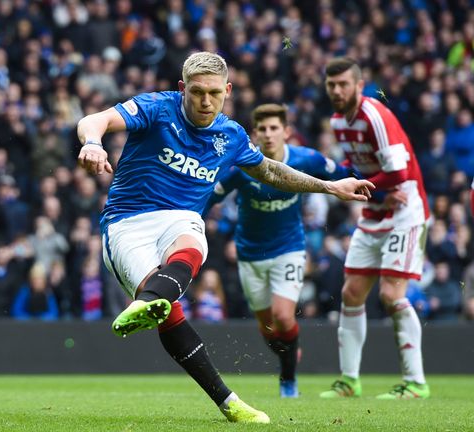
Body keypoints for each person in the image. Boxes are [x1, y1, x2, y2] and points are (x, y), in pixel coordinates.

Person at [76, 52, 373, 424]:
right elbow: (96, 119)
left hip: (179, 219)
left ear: (228, 91)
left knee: (192, 236)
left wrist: (330, 187)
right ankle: (225, 398)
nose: (205, 102)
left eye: (214, 93)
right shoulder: (156, 107)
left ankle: (152, 299)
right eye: (197, 92)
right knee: (171, 314)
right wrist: (92, 142)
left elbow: (272, 172)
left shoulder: (230, 134)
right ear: (182, 88)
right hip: (125, 223)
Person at [204, 104, 353, 397]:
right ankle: (288, 352)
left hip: (289, 248)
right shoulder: (241, 167)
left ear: (286, 132)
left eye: (275, 128)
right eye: (263, 129)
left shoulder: (306, 159)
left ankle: (288, 378)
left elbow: (343, 172)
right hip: (250, 254)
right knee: (268, 328)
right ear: (255, 133)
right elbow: (210, 196)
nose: (269, 134)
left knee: (283, 317)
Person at [319, 57, 431, 400]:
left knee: (390, 296)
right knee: (351, 293)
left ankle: (416, 383)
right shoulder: (339, 121)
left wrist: (361, 184)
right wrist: (344, 174)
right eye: (331, 85)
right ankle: (349, 381)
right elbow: (358, 164)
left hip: (406, 212)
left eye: (343, 84)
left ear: (358, 84)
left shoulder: (375, 115)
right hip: (374, 213)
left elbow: (398, 173)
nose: (337, 91)